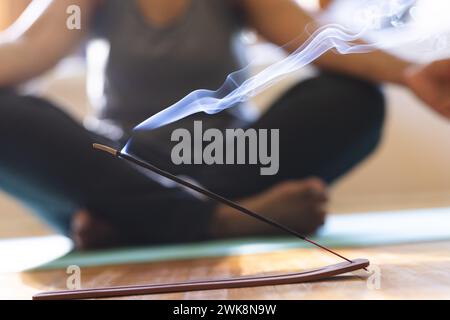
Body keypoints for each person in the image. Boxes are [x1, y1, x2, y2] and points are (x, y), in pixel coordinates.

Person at [0, 0, 449, 249]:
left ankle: (135, 222)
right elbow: (27, 46)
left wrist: (408, 74)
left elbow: (312, 36)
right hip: (123, 167)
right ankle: (220, 219)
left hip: (226, 160)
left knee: (351, 100)